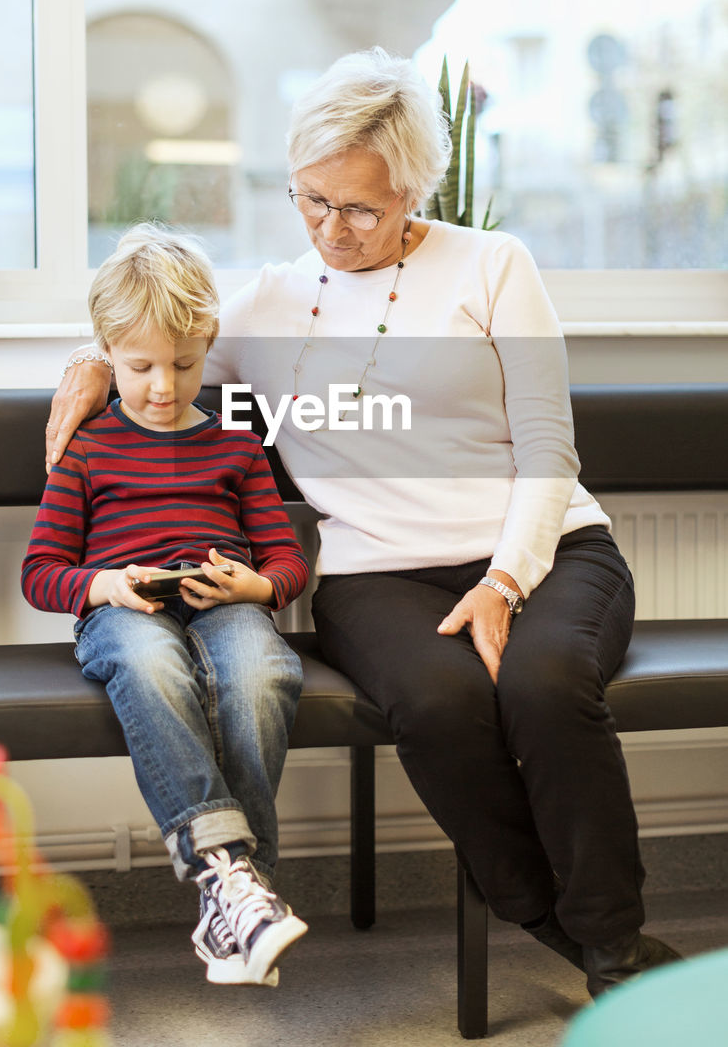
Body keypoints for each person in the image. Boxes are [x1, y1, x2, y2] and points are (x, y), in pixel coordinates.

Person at [45, 49, 680, 1001]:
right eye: (310, 200)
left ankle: (614, 948)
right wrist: (88, 360)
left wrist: (504, 581)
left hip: (544, 554)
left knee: (545, 686)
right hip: (376, 574)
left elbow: (550, 447)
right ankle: (550, 918)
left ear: (415, 188)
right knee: (436, 704)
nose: (331, 230)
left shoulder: (494, 265)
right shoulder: (265, 303)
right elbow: (159, 351)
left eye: (361, 210)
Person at [23, 224, 309, 987]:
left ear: (208, 344)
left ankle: (233, 902)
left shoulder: (238, 448)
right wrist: (104, 585)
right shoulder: (85, 450)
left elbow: (285, 559)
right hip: (125, 611)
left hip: (222, 605)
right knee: (152, 664)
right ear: (106, 352)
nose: (162, 385)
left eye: (184, 365)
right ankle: (236, 882)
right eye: (140, 366)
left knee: (261, 672)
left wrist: (257, 586)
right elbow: (41, 571)